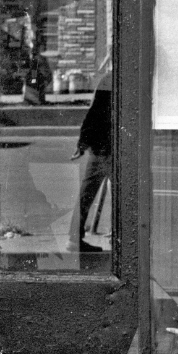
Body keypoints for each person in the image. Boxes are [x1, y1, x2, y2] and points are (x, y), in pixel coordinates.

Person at [68, 62, 112, 254]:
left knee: (87, 192)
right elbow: (95, 113)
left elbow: (93, 113)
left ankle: (74, 239)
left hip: (100, 145)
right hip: (109, 146)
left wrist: (83, 142)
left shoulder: (108, 79)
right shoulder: (116, 80)